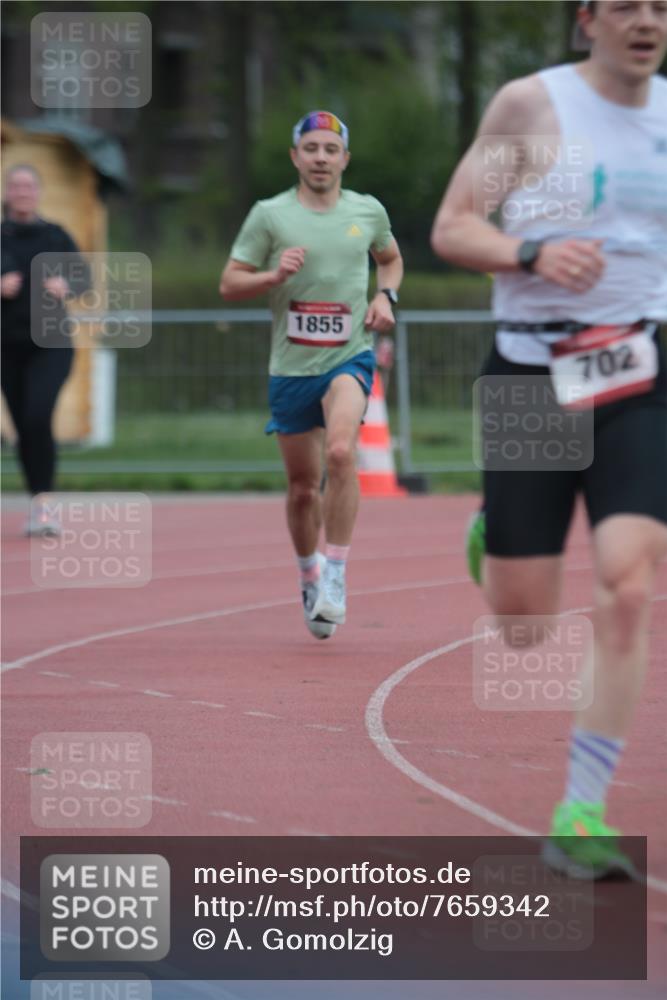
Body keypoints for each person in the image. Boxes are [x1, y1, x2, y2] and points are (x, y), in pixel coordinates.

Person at [431, 0, 667, 876]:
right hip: (532, 378)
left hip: (637, 374)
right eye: (625, 6)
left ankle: (580, 810)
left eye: (658, 5)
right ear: (587, 21)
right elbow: (452, 227)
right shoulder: (532, 106)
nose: (645, 20)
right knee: (524, 621)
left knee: (628, 584)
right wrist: (530, 256)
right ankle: (497, 530)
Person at [220, 110, 403, 639]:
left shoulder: (367, 211)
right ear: (295, 156)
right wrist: (274, 275)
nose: (321, 158)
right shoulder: (269, 216)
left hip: (349, 356)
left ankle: (338, 573)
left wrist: (385, 295)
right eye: (311, 148)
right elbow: (230, 284)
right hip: (291, 368)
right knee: (303, 488)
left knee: (343, 452)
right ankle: (309, 575)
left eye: (330, 149)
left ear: (345, 158)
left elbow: (390, 260)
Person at [1, 164, 91, 535]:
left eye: (29, 186)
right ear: (8, 192)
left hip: (50, 345)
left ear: (38, 193)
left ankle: (46, 504)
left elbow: (85, 280)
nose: (23, 192)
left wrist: (64, 285)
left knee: (39, 415)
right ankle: (38, 502)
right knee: (24, 426)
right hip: (7, 346)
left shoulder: (55, 236)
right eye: (16, 186)